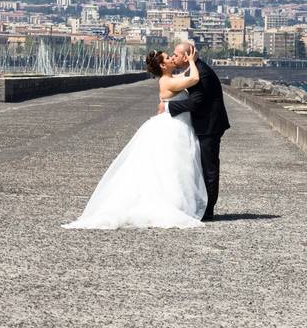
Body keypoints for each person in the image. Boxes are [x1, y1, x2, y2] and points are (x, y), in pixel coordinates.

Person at [62, 48, 207, 229]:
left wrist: (187, 65)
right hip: (173, 128)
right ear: (162, 65)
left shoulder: (169, 79)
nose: (171, 59)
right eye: (168, 58)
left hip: (175, 126)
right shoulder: (167, 81)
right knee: (172, 168)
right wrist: (193, 61)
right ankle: (172, 204)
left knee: (170, 168)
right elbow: (193, 79)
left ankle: (177, 202)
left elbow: (184, 77)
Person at [158, 41, 230, 221]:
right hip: (205, 124)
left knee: (209, 167)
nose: (173, 57)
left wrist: (167, 107)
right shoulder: (194, 69)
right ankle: (202, 205)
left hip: (209, 126)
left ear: (186, 56)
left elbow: (195, 102)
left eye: (176, 54)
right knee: (202, 166)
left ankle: (208, 210)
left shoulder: (201, 72)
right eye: (171, 55)